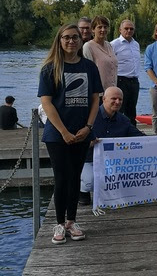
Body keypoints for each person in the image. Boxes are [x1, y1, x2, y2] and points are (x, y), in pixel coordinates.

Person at [38, 24, 103, 244]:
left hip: (82, 131)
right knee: (62, 178)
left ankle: (72, 221)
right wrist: (64, 131)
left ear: (80, 40)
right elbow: (46, 103)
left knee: (75, 177)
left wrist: (89, 127)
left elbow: (96, 99)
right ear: (60, 40)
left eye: (75, 37)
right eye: (66, 37)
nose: (71, 41)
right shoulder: (50, 68)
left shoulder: (89, 67)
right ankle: (58, 223)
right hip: (57, 134)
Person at [79, 86, 145, 206]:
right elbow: (75, 139)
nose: (117, 102)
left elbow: (140, 137)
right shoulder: (89, 117)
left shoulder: (124, 120)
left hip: (113, 161)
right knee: (90, 181)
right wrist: (87, 143)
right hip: (88, 159)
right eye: (113, 98)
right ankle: (82, 191)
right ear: (103, 99)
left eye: (120, 99)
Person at [110, 19, 140, 126]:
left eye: (131, 29)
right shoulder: (114, 44)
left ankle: (131, 132)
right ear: (120, 30)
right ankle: (117, 131)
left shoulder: (136, 44)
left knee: (132, 109)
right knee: (119, 109)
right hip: (121, 80)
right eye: (126, 28)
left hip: (134, 81)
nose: (129, 30)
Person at [82, 16, 118, 92]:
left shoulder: (109, 45)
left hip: (112, 93)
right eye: (100, 27)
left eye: (105, 27)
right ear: (93, 30)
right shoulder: (88, 47)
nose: (103, 30)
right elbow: (87, 72)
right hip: (98, 93)